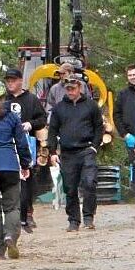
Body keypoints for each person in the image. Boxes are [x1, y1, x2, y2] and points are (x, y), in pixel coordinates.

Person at [0, 81, 34, 258]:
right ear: (5, 97)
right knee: (12, 208)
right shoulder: (12, 117)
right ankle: (10, 235)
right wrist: (26, 164)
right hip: (10, 166)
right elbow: (21, 143)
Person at [47, 73, 105, 231]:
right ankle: (73, 220)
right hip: (67, 153)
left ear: (80, 88)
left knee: (89, 183)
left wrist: (94, 146)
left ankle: (88, 217)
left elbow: (99, 127)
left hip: (86, 150)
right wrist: (52, 151)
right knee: (70, 188)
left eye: (73, 88)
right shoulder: (59, 108)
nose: (70, 91)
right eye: (68, 88)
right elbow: (52, 130)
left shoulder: (91, 106)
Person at [4, 68, 47, 232]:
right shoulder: (3, 100)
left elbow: (42, 119)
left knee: (27, 178)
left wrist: (30, 124)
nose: (10, 83)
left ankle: (28, 212)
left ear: (20, 81)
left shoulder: (31, 99)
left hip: (26, 144)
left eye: (13, 80)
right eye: (8, 80)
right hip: (7, 144)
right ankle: (12, 213)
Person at [114, 64, 135, 195]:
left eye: (134, 74)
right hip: (132, 135)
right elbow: (116, 114)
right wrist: (124, 134)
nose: (132, 77)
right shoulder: (123, 94)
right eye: (129, 75)